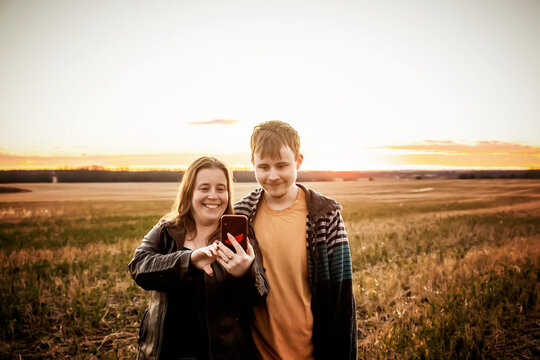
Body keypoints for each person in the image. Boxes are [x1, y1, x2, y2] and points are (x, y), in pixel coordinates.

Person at [234, 121, 357, 359]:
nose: (272, 175)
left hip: (313, 351)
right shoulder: (241, 216)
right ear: (252, 164)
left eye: (282, 165)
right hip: (256, 353)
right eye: (263, 166)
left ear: (298, 161)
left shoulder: (325, 216)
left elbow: (341, 301)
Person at [129, 156, 268, 360]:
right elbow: (138, 267)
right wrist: (190, 260)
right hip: (166, 353)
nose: (214, 196)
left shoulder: (240, 237)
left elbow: (261, 292)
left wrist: (246, 273)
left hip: (224, 354)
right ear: (189, 192)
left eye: (221, 189)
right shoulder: (166, 231)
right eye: (204, 188)